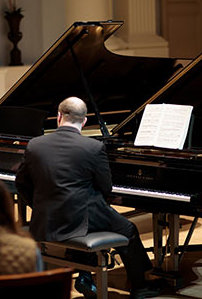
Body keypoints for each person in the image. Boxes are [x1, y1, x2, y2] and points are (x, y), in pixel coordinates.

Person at [15, 97, 163, 299]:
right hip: (80, 217)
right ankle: (140, 286)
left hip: (45, 219)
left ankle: (85, 274)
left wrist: (42, 207)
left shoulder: (35, 144)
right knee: (128, 229)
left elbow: (21, 184)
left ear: (58, 117)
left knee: (93, 215)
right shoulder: (93, 147)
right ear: (84, 121)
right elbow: (106, 187)